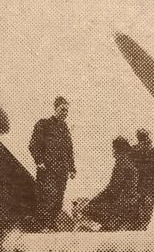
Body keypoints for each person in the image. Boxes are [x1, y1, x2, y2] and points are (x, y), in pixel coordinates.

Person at [29, 96, 76, 229]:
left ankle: (51, 223)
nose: (64, 113)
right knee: (47, 196)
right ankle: (43, 224)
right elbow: (33, 145)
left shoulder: (65, 128)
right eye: (62, 109)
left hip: (62, 170)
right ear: (55, 108)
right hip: (47, 170)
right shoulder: (43, 124)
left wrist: (72, 168)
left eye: (67, 111)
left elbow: (69, 149)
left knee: (59, 198)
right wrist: (39, 162)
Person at [81, 137, 138, 230]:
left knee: (90, 209)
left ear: (119, 151)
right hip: (129, 201)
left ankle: (111, 224)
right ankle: (109, 225)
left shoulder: (122, 164)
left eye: (114, 149)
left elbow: (113, 189)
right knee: (94, 207)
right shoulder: (128, 163)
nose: (113, 152)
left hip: (123, 203)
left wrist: (94, 202)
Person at [129, 129, 154, 230]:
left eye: (147, 141)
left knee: (146, 213)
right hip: (136, 188)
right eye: (142, 140)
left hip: (148, 189)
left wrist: (153, 192)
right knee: (135, 214)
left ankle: (142, 228)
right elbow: (129, 172)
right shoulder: (132, 151)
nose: (145, 144)